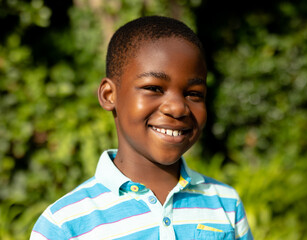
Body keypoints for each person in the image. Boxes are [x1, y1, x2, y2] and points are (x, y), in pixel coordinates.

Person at [30, 16, 253, 240]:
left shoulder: (225, 203)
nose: (177, 108)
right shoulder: (64, 224)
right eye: (154, 88)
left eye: (194, 93)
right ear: (109, 95)